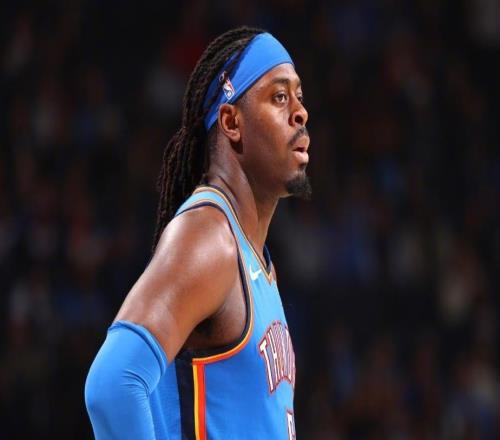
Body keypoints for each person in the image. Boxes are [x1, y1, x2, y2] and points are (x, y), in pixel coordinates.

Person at [84, 26, 310, 439]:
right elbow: (112, 385)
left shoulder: (253, 257)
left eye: (299, 96)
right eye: (279, 97)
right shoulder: (209, 236)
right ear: (232, 122)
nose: (300, 112)